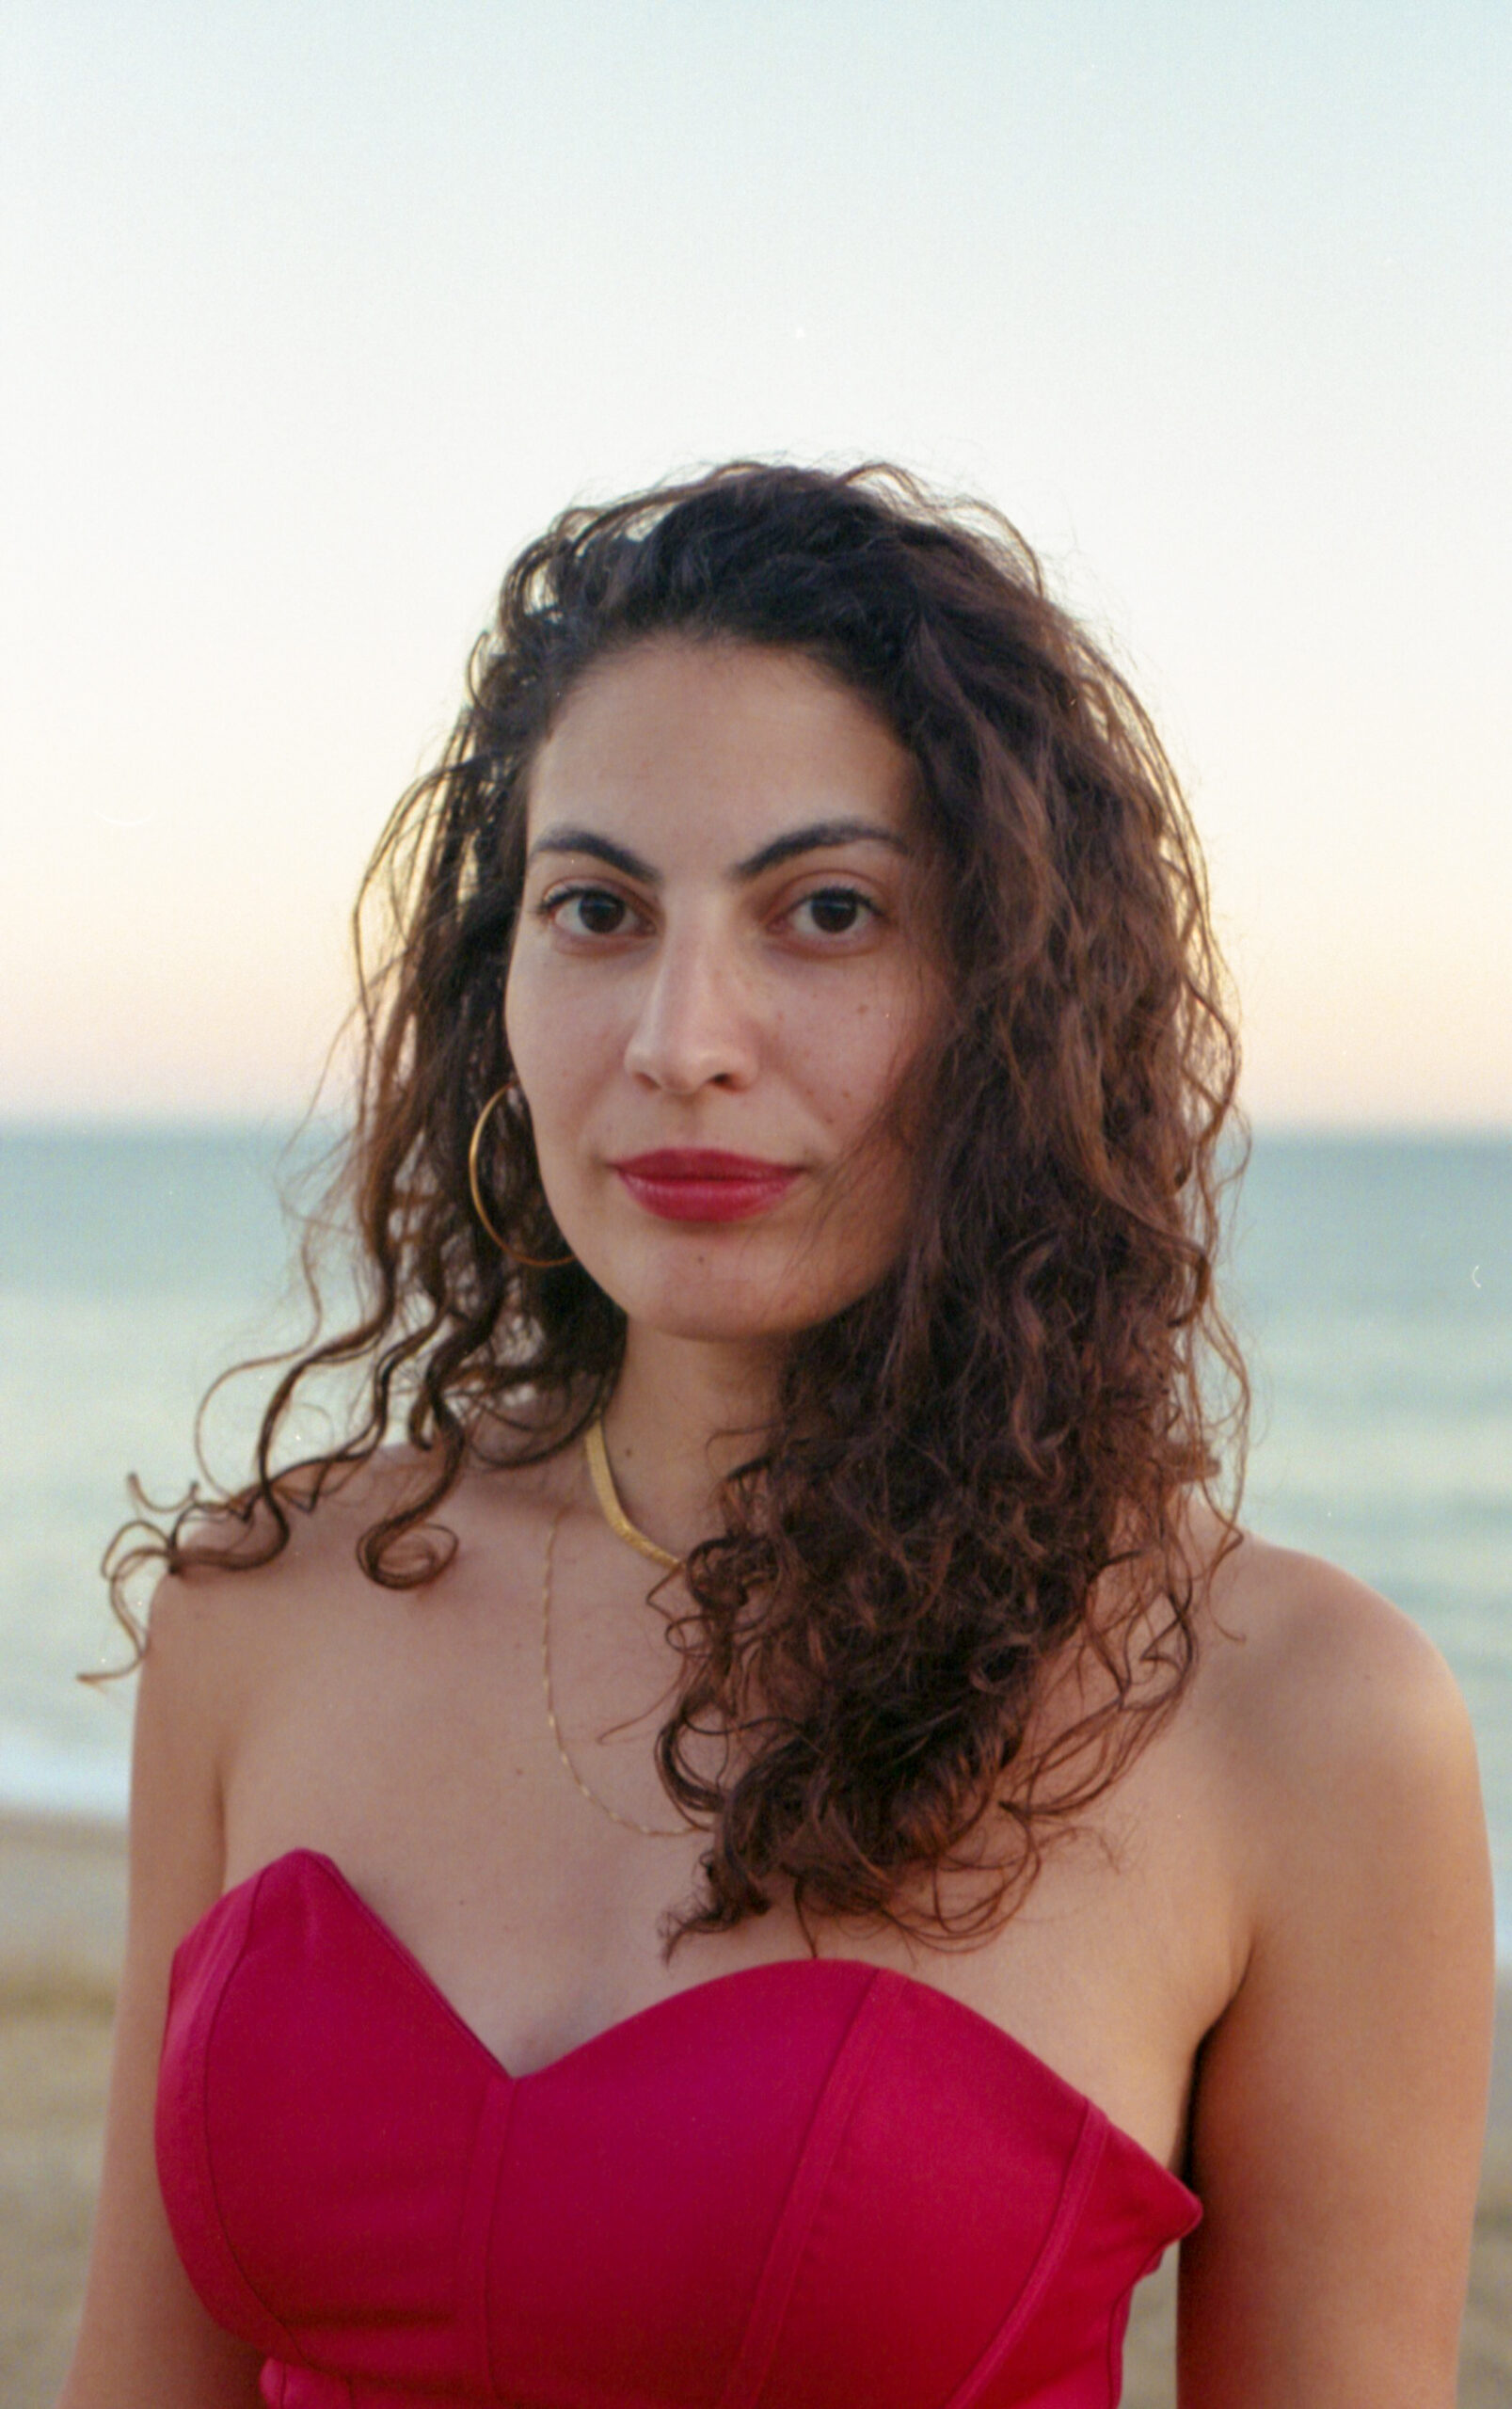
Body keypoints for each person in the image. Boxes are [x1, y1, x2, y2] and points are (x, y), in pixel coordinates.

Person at [61, 463, 1490, 2409]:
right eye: (597, 907)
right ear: (503, 982)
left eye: (826, 911)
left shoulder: (1296, 1721)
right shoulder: (268, 1602)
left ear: (1020, 1000)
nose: (682, 1034)